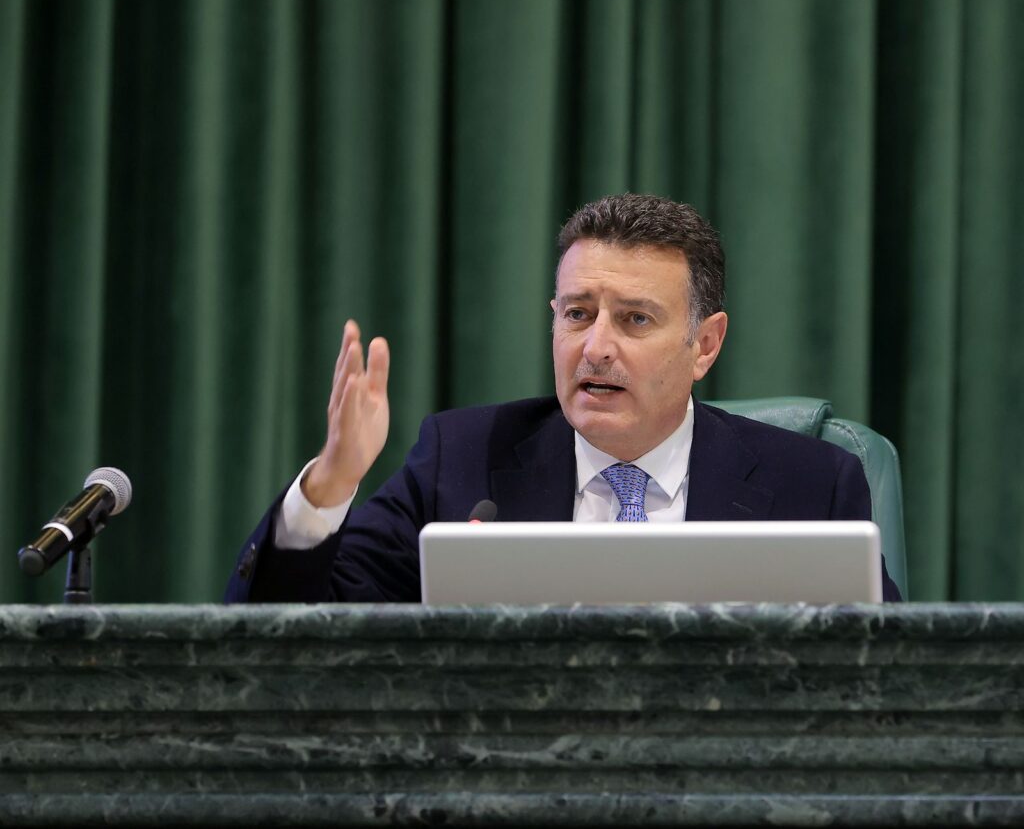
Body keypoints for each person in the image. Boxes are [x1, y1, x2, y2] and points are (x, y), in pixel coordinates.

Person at [225, 194, 901, 603]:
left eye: (635, 319)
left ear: (705, 344)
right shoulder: (461, 463)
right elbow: (289, 638)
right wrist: (330, 484)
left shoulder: (813, 485)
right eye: (578, 314)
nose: (595, 347)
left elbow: (886, 683)